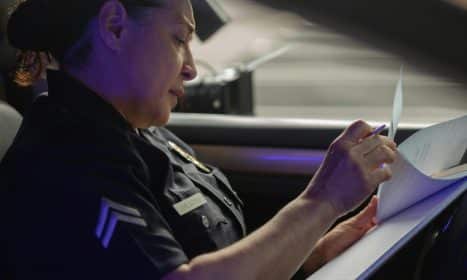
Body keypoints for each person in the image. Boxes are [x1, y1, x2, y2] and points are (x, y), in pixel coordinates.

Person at [1, 0, 397, 279]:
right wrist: (322, 201)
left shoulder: (148, 138)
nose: (191, 68)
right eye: (179, 39)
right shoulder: (66, 163)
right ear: (114, 26)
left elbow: (219, 258)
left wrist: (312, 257)